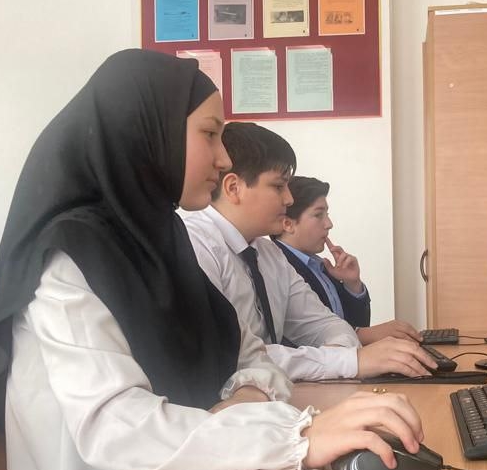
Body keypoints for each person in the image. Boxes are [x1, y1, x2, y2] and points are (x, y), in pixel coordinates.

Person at [0, 50, 424, 470]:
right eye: (210, 134)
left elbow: (252, 353)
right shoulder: (66, 260)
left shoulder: (162, 239)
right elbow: (115, 428)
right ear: (148, 131)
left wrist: (246, 399)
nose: (224, 158)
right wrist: (296, 437)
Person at [180, 122, 436, 383]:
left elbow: (325, 324)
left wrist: (341, 356)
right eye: (278, 186)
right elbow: (234, 356)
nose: (289, 199)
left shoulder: (268, 254)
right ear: (234, 188)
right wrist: (347, 361)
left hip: (271, 397)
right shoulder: (193, 247)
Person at [275, 175, 421, 344]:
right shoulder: (278, 267)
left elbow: (358, 325)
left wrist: (353, 285)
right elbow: (307, 339)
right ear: (288, 224)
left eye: (327, 214)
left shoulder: (319, 265)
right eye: (318, 215)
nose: (329, 224)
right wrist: (370, 335)